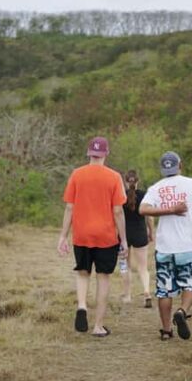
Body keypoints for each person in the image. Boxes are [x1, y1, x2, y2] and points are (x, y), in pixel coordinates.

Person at [57, 136, 128, 337]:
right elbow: (118, 212)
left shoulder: (76, 174)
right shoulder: (114, 177)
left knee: (82, 272)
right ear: (106, 154)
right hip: (106, 236)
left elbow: (69, 207)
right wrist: (123, 240)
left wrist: (63, 236)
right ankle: (98, 326)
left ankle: (81, 306)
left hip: (81, 234)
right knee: (103, 277)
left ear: (89, 153)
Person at [139, 151, 192, 340]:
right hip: (188, 246)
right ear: (181, 165)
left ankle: (166, 330)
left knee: (165, 289)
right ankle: (182, 311)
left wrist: (167, 210)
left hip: (164, 247)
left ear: (163, 169)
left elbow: (143, 209)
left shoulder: (156, 188)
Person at [120, 170, 155, 308]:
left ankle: (127, 295)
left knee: (125, 266)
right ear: (137, 181)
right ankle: (146, 292)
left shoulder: (120, 196)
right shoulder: (144, 195)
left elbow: (116, 215)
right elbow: (150, 217)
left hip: (124, 235)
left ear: (125, 181)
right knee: (143, 267)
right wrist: (151, 232)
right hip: (140, 234)